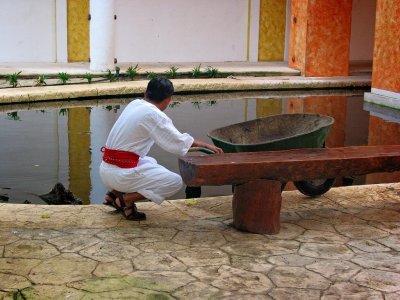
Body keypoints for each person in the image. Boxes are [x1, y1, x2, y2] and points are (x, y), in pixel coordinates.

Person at [99, 77, 223, 220]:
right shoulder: (153, 114)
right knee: (174, 182)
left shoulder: (135, 104)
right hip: (119, 176)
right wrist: (205, 145)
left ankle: (114, 193)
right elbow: (177, 142)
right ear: (169, 99)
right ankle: (126, 200)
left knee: (149, 161)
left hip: (106, 169)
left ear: (145, 93)